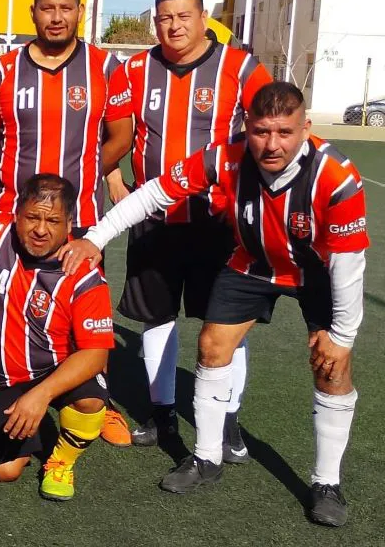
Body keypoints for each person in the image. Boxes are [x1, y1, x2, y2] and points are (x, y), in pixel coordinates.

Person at [59, 82, 368, 527]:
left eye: (284, 132)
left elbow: (348, 264)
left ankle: (326, 482)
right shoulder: (225, 155)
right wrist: (94, 237)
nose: (272, 144)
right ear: (247, 127)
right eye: (262, 131)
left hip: (317, 271)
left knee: (332, 367)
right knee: (211, 346)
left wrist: (341, 337)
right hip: (253, 264)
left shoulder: (335, 176)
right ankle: (206, 457)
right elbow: (154, 193)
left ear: (306, 128)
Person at [105, 0, 273, 454]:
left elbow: (270, 127)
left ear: (202, 19)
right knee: (156, 318)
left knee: (223, 324)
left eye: (183, 16)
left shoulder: (239, 68)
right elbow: (110, 131)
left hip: (217, 220)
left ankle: (228, 420)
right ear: (153, 22)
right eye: (164, 18)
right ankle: (163, 417)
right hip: (153, 218)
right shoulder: (135, 69)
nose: (173, 26)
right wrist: (115, 178)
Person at [0, 0, 134, 447]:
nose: (57, 17)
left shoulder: (105, 68)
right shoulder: (2, 70)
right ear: (34, 14)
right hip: (14, 217)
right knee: (6, 309)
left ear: (80, 11)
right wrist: (24, 192)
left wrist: (75, 180)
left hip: (81, 218)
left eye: (66, 8)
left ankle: (97, 400)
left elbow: (120, 136)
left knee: (83, 317)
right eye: (47, 8)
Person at [0, 174, 115, 502]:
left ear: (69, 223)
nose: (41, 229)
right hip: (2, 376)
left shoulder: (84, 273)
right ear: (15, 214)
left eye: (52, 220)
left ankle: (62, 460)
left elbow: (96, 354)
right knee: (6, 471)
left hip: (55, 369)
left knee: (91, 401)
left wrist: (40, 396)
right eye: (32, 217)